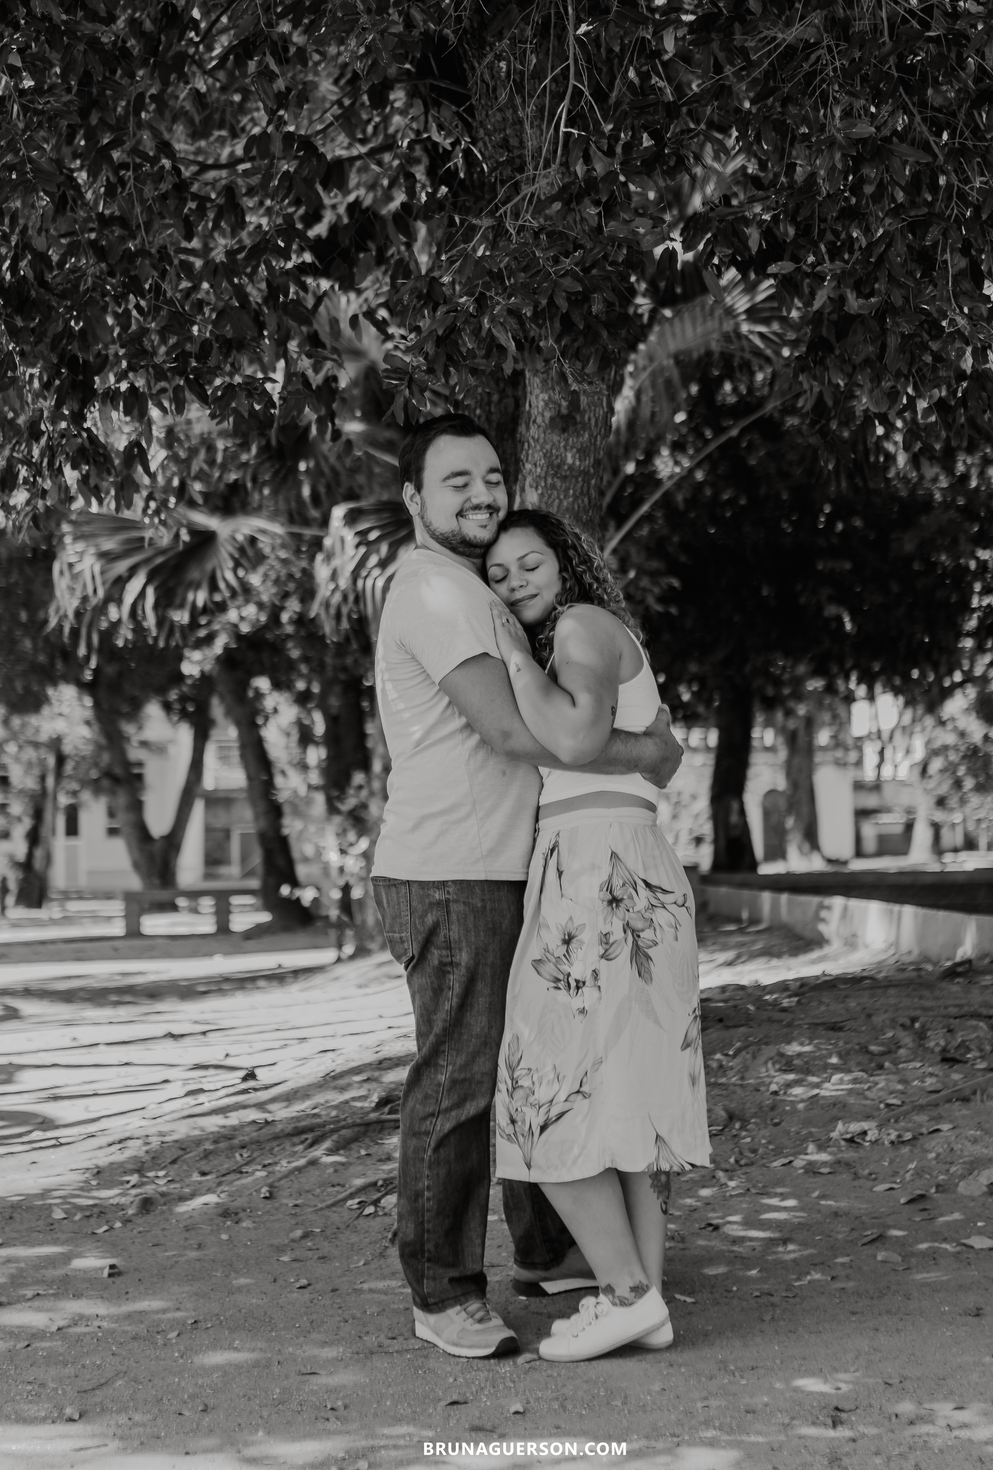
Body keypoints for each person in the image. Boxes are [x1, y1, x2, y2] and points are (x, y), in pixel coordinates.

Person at [371, 415, 684, 1360]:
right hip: (452, 870)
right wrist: (648, 754)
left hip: (517, 864)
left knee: (534, 1069)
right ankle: (443, 1292)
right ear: (414, 500)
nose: (481, 492)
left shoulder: (482, 589)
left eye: (491, 475)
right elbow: (514, 733)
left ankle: (551, 1254)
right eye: (455, 480)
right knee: (464, 1082)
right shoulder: (434, 590)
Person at [486, 510, 710, 1362]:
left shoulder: (579, 625)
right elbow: (627, 746)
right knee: (625, 1105)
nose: (514, 582)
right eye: (498, 575)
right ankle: (644, 1301)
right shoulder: (590, 634)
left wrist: (511, 649)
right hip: (620, 864)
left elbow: (577, 735)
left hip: (596, 870)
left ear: (567, 561)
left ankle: (623, 1294)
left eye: (529, 564)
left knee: (539, 1094)